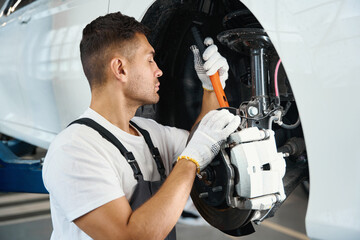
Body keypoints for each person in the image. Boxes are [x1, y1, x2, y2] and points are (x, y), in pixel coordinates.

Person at [42, 12, 240, 240]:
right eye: (149, 60)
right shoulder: (74, 149)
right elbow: (130, 236)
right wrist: (190, 160)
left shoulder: (149, 134)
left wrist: (209, 89)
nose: (159, 70)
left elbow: (204, 144)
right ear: (120, 69)